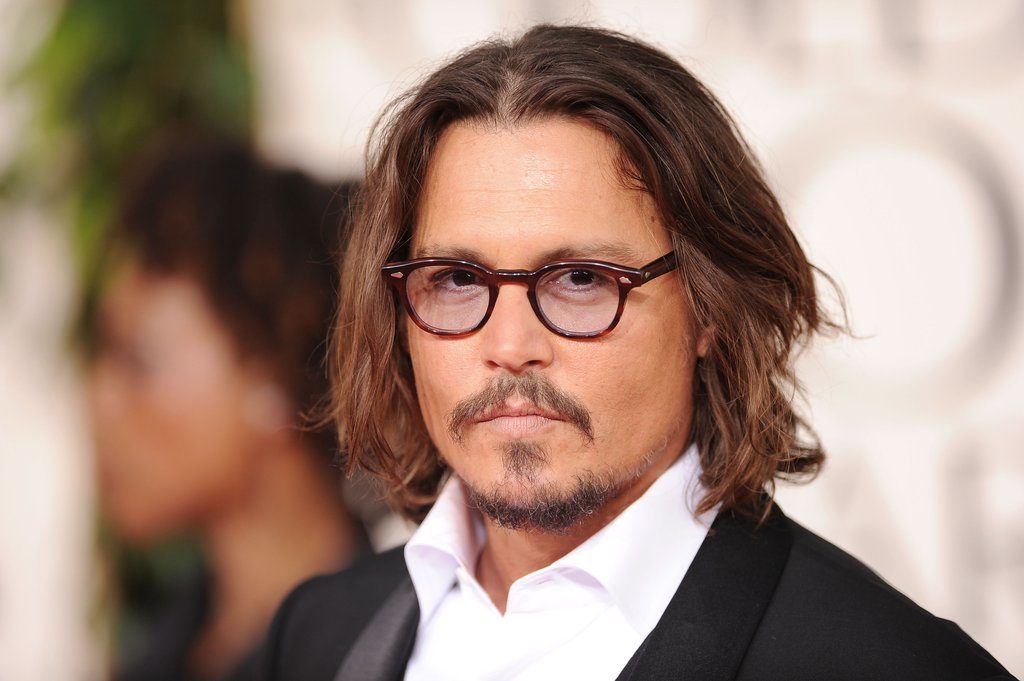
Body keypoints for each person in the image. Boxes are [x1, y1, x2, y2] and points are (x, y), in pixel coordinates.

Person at [260, 25, 1015, 681]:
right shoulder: (319, 635)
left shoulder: (888, 663)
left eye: (581, 279)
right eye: (457, 279)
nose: (510, 346)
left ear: (709, 307)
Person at [88, 134, 366, 681]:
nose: (100, 400)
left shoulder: (396, 652)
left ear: (276, 379)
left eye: (138, 360)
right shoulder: (169, 647)